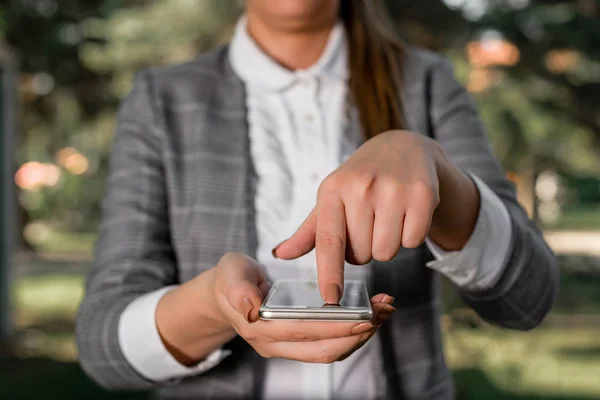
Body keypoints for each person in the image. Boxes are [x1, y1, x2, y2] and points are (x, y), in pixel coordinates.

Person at [75, 1, 559, 399]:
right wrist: (210, 305)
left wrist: (441, 177)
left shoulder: (427, 83)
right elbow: (104, 351)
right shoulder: (162, 100)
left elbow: (527, 299)